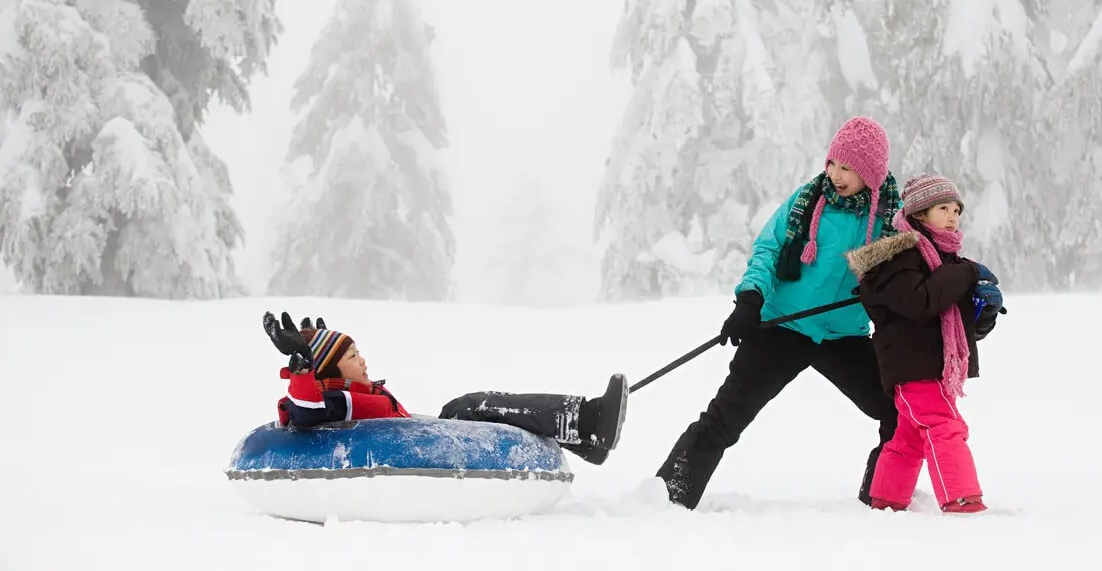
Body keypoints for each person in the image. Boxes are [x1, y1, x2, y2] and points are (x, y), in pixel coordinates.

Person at [655, 116, 903, 509]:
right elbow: (768, 250)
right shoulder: (808, 202)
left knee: (900, 411)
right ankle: (669, 497)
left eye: (849, 168)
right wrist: (750, 299)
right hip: (782, 325)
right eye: (833, 164)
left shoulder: (891, 221)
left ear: (871, 173)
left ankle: (884, 498)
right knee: (726, 417)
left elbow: (909, 274)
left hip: (843, 335)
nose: (836, 175)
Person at [262, 310, 629, 466]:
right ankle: (590, 420)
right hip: (419, 444)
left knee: (466, 406)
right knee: (472, 405)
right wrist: (304, 370)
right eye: (353, 356)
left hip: (419, 432)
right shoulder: (337, 400)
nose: (364, 362)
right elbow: (305, 415)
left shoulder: (353, 392)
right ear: (331, 368)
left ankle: (583, 439)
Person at [844, 174, 1004, 513]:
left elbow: (955, 327)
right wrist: (969, 273)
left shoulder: (945, 261)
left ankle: (886, 499)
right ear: (919, 214)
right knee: (945, 426)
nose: (952, 217)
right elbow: (920, 303)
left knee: (909, 437)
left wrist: (984, 312)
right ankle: (962, 499)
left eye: (956, 210)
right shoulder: (900, 256)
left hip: (931, 366)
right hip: (911, 365)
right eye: (942, 208)